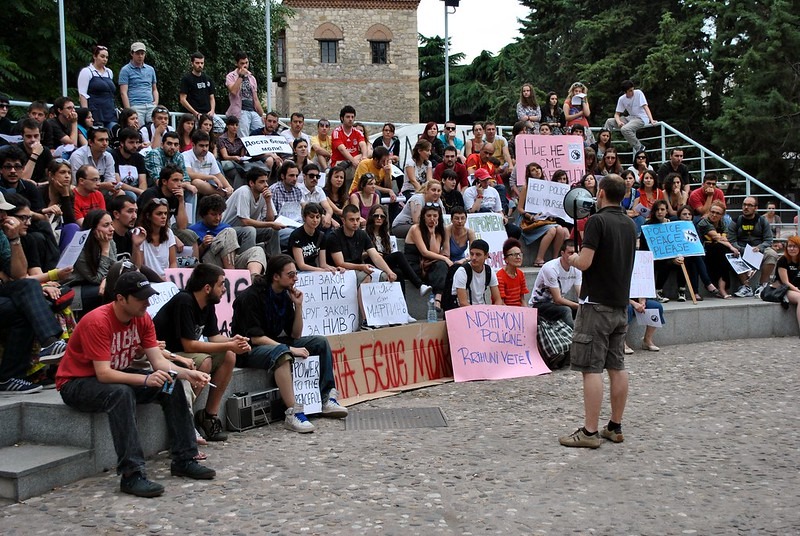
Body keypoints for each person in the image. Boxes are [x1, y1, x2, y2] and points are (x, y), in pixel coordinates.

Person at [56, 271, 215, 497]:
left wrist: (187, 374)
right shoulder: (97, 321)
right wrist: (146, 379)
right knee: (121, 394)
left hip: (115, 374)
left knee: (171, 384)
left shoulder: (142, 318)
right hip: (76, 383)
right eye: (141, 298)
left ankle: (184, 458)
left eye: (148, 296)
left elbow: (159, 362)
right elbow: (103, 374)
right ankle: (132, 474)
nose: (147, 302)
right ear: (121, 298)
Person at [559, 173, 636, 449]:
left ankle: (590, 432)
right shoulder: (629, 224)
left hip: (596, 303)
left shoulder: (596, 221)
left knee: (591, 368)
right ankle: (615, 426)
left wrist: (573, 258)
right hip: (619, 303)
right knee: (617, 366)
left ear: (600, 193)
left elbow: (586, 262)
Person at [232, 255, 349, 433]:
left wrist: (299, 306)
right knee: (281, 353)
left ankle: (326, 398)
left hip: (273, 342)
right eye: (291, 274)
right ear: (276, 276)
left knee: (319, 342)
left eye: (295, 274)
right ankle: (293, 412)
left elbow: (295, 334)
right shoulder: (250, 297)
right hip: (248, 348)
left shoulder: (285, 295)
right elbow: (255, 338)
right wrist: (289, 349)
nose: (296, 278)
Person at [153, 263, 246, 443]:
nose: (224, 289)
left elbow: (213, 337)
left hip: (183, 351)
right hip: (165, 354)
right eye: (221, 284)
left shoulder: (208, 303)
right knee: (204, 362)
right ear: (207, 287)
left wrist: (234, 342)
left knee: (229, 355)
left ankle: (208, 416)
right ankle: (185, 420)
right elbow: (189, 346)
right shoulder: (184, 301)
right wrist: (229, 344)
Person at [327, 204, 397, 328]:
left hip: (357, 268)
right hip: (341, 272)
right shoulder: (334, 236)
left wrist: (389, 271)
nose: (355, 223)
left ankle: (388, 316)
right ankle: (366, 320)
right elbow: (340, 263)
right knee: (366, 276)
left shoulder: (362, 234)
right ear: (343, 220)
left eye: (358, 219)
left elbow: (375, 256)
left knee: (385, 276)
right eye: (352, 219)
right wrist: (361, 267)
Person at [189, 194, 266, 276]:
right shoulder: (193, 230)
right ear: (204, 215)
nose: (218, 218)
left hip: (230, 261)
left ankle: (253, 280)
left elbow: (232, 251)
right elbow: (193, 259)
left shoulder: (225, 227)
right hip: (209, 264)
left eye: (220, 214)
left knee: (258, 250)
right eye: (213, 214)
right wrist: (203, 246)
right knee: (229, 231)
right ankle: (232, 276)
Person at [365, 203, 431, 296]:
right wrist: (371, 253)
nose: (379, 218)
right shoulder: (364, 233)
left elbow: (388, 251)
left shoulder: (385, 234)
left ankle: (401, 306)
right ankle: (419, 285)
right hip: (370, 261)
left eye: (382, 216)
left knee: (399, 272)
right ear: (371, 217)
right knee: (399, 255)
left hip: (384, 260)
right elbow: (360, 253)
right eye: (376, 216)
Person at [220, 166, 282, 259]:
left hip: (244, 230)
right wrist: (272, 223)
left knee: (272, 230)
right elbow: (245, 221)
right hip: (228, 231)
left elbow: (270, 219)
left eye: (266, 181)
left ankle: (277, 262)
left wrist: (268, 201)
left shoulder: (264, 194)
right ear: (251, 183)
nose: (266, 185)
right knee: (250, 230)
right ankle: (248, 262)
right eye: (261, 182)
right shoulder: (244, 191)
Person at [517, 162, 569, 266]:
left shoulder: (547, 186)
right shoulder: (526, 187)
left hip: (545, 220)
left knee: (560, 230)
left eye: (538, 168)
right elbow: (520, 208)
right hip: (529, 220)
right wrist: (530, 216)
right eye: (533, 170)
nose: (536, 171)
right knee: (552, 230)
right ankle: (539, 258)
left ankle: (555, 259)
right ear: (529, 174)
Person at [727, 196, 779, 297]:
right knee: (731, 255)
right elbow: (731, 240)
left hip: (758, 250)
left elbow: (768, 240)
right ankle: (746, 287)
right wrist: (741, 249)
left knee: (772, 254)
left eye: (750, 205)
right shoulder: (735, 221)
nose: (746, 207)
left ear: (756, 208)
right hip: (741, 249)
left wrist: (760, 247)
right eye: (744, 205)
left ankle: (762, 285)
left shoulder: (762, 221)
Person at [405, 202, 452, 312]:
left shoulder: (439, 232)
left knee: (442, 266)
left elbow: (438, 252)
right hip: (414, 265)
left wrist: (432, 234)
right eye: (429, 216)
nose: (432, 219)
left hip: (429, 265)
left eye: (435, 216)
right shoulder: (415, 229)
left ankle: (438, 299)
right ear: (423, 217)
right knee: (443, 262)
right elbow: (425, 252)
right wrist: (444, 258)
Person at [70, 209, 117, 314]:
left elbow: (115, 269)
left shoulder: (110, 241)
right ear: (93, 229)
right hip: (77, 290)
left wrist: (106, 280)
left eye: (111, 224)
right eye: (106, 225)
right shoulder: (80, 248)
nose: (112, 229)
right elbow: (95, 279)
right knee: (111, 291)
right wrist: (105, 250)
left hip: (101, 284)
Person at [529, 240, 582, 327]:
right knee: (566, 310)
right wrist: (579, 306)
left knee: (585, 311)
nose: (574, 256)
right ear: (562, 253)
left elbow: (580, 293)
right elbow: (557, 299)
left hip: (556, 304)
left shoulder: (577, 268)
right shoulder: (551, 268)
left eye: (576, 253)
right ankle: (571, 338)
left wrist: (585, 306)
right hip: (539, 304)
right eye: (570, 253)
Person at [642, 200, 684, 302]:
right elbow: (644, 247)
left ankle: (682, 290)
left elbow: (675, 243)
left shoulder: (671, 224)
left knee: (683, 261)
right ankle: (658, 291)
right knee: (666, 263)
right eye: (657, 210)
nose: (660, 212)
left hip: (669, 255)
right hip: (651, 257)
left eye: (662, 209)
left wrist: (677, 256)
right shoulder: (648, 225)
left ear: (666, 211)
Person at [696, 200, 737, 298]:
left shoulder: (722, 223)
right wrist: (731, 247)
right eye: (712, 212)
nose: (714, 215)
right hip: (704, 250)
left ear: (722, 215)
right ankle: (722, 289)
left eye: (717, 213)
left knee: (724, 252)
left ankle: (722, 288)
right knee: (724, 250)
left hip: (717, 250)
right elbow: (718, 238)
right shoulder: (704, 222)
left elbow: (724, 238)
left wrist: (725, 242)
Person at [603, 80, 657, 153]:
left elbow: (645, 106)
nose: (632, 92)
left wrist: (651, 119)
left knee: (625, 129)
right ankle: (605, 146)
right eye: (630, 91)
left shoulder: (638, 93)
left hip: (641, 118)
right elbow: (616, 114)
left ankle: (639, 147)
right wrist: (618, 122)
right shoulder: (622, 99)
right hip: (630, 118)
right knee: (609, 122)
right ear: (625, 92)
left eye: (632, 89)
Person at [450, 239, 502, 307]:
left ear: (486, 256)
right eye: (472, 254)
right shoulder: (462, 272)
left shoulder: (489, 271)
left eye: (478, 255)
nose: (474, 257)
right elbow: (463, 303)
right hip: (462, 311)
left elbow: (498, 299)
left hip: (482, 310)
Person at [225, 51, 265, 137]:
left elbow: (256, 98)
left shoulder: (252, 78)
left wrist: (262, 114)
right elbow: (233, 91)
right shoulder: (231, 76)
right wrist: (241, 76)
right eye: (242, 63)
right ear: (237, 64)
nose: (245, 65)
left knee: (260, 133)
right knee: (244, 137)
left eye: (246, 63)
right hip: (241, 111)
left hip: (253, 111)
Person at [183, 130, 233, 197]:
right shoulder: (185, 156)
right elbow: (190, 174)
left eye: (207, 146)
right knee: (196, 182)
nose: (205, 149)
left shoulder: (210, 155)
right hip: (191, 189)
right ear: (193, 145)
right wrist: (211, 177)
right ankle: (222, 194)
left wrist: (228, 187)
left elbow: (218, 174)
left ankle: (224, 194)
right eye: (201, 146)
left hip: (207, 187)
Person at [136, 198, 178, 278]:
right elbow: (140, 266)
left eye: (165, 213)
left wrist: (171, 278)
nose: (163, 217)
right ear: (148, 216)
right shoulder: (140, 234)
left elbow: (173, 262)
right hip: (148, 280)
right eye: (159, 214)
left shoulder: (169, 233)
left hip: (167, 280)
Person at [289, 202, 337, 272]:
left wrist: (335, 269)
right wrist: (320, 270)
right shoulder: (296, 235)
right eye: (311, 217)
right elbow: (301, 265)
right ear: (304, 217)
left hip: (314, 271)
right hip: (298, 272)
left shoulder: (321, 236)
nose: (315, 220)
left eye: (317, 217)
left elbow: (323, 264)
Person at [119, 42, 159, 124]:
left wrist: (156, 102)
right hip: (135, 105)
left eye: (142, 53)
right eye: (137, 53)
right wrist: (128, 110)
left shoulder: (150, 69)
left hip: (150, 104)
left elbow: (154, 89)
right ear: (132, 54)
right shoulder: (125, 70)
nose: (140, 56)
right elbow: (123, 92)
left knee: (154, 129)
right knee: (138, 130)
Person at [178, 52, 220, 130]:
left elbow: (212, 97)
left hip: (208, 114)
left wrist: (212, 110)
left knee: (222, 127)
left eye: (202, 63)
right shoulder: (187, 79)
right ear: (192, 63)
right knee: (196, 134)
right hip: (194, 114)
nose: (200, 65)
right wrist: (195, 113)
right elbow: (183, 99)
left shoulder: (208, 79)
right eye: (197, 63)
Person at [78, 45, 117, 128]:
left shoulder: (109, 72)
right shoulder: (87, 71)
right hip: (95, 112)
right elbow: (82, 94)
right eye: (102, 56)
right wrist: (86, 115)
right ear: (95, 56)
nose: (105, 59)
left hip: (109, 112)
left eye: (106, 57)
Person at [330, 105, 367, 175]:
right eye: (348, 117)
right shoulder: (336, 132)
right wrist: (353, 161)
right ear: (342, 118)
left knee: (366, 154)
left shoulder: (358, 132)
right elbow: (342, 149)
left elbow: (363, 144)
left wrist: (364, 157)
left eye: (352, 117)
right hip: (340, 164)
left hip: (354, 163)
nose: (350, 119)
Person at [774, 236, 800, 329]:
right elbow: (785, 282)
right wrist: (798, 291)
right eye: (789, 246)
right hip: (785, 289)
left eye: (795, 246)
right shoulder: (783, 260)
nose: (791, 249)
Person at [497, 238, 529, 306]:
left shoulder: (520, 274)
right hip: (505, 311)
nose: (518, 257)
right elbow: (501, 302)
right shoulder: (500, 276)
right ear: (506, 259)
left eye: (520, 254)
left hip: (519, 311)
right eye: (514, 255)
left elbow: (522, 299)